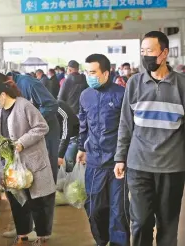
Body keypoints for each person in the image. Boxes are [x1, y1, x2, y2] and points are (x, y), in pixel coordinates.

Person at [114, 31, 185, 246]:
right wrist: (120, 157)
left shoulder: (181, 85)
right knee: (141, 220)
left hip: (172, 167)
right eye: (142, 51)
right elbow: (126, 124)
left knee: (168, 223)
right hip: (139, 165)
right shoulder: (134, 84)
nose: (146, 56)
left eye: (150, 51)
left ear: (164, 54)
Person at [0, 75, 56, 245]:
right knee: (16, 199)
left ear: (2, 94)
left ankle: (42, 235)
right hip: (9, 163)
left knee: (35, 200)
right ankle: (22, 233)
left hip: (30, 162)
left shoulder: (24, 105)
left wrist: (22, 143)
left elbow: (42, 126)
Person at [77, 54, 130, 246]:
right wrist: (82, 147)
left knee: (119, 211)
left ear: (106, 73)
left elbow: (127, 128)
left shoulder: (121, 94)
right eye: (86, 72)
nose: (88, 76)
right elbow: (83, 123)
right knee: (94, 207)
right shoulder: (85, 95)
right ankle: (101, 241)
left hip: (117, 163)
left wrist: (122, 158)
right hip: (94, 162)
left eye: (93, 72)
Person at [5, 71, 60, 183]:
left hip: (46, 129)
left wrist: (33, 120)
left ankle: (48, 196)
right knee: (33, 166)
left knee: (46, 165)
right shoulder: (10, 89)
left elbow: (51, 104)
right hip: (31, 132)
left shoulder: (29, 83)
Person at [57, 100, 79, 171]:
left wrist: (60, 154)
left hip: (72, 138)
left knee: (70, 163)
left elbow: (66, 131)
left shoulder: (58, 106)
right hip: (59, 139)